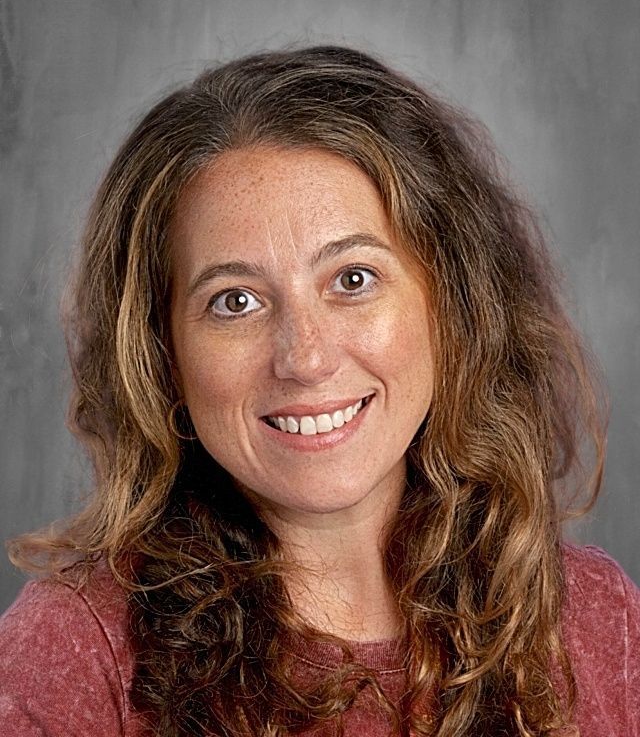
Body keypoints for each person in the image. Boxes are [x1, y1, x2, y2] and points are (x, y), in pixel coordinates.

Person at [0, 46, 638, 737]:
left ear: (450, 305)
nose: (304, 358)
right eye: (235, 300)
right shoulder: (77, 654)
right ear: (162, 356)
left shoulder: (597, 621)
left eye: (353, 280)